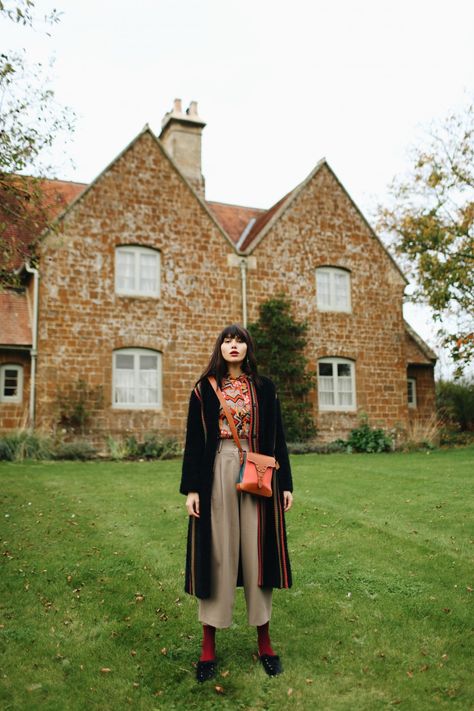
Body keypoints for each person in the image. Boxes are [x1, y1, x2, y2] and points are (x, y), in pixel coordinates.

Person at [180, 323, 293, 683]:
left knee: (257, 554)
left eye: (239, 340)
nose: (233, 346)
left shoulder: (264, 387)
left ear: (247, 348)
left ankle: (265, 642)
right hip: (216, 469)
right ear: (220, 347)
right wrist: (193, 490)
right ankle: (208, 647)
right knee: (218, 553)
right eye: (227, 340)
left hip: (256, 471)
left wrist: (286, 483)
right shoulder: (203, 389)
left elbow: (278, 438)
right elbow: (194, 442)